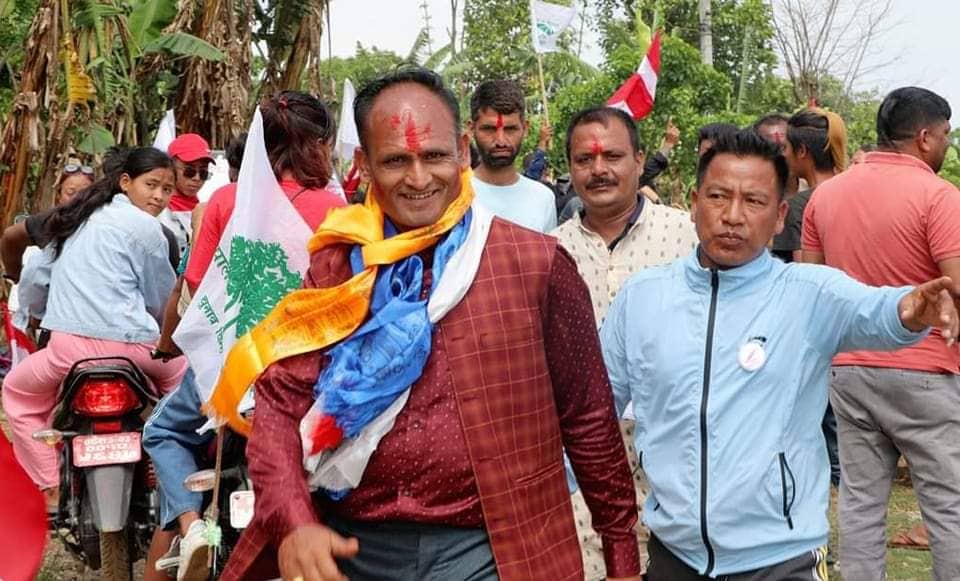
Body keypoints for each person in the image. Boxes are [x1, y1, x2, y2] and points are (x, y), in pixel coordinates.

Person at [219, 68, 642, 581]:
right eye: (396, 160)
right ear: (364, 164)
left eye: (434, 156)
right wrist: (294, 522)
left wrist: (621, 556)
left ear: (462, 151)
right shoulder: (337, 267)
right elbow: (280, 403)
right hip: (350, 547)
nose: (419, 179)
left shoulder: (537, 264)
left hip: (494, 551)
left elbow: (589, 419)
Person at [600, 130, 959, 580]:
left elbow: (875, 309)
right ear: (694, 202)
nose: (733, 216)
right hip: (675, 555)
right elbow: (596, 409)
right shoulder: (643, 297)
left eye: (754, 201)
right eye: (718, 196)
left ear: (779, 217)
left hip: (781, 558)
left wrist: (912, 309)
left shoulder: (806, 293)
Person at [143, 91, 346, 581]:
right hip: (308, 379)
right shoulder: (338, 210)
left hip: (230, 374)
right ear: (321, 144)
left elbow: (196, 283)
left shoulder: (225, 200)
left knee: (162, 431)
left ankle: (191, 525)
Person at [801, 86, 960, 580]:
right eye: (946, 135)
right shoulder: (939, 196)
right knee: (948, 504)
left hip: (850, 370)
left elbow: (811, 286)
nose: (947, 145)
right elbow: (957, 285)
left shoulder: (825, 196)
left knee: (861, 503)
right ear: (925, 136)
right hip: (926, 369)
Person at [552, 106, 699, 580]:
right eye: (584, 160)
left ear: (639, 159)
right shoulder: (547, 252)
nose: (598, 169)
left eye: (612, 156)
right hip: (581, 459)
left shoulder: (688, 239)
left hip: (677, 453)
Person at [1, 147, 188, 506]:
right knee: (188, 387)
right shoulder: (152, 231)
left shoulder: (70, 220)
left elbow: (34, 277)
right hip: (134, 349)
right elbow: (162, 301)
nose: (159, 196)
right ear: (125, 182)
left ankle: (50, 482)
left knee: (17, 393)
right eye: (152, 185)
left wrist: (35, 314)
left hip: (66, 351)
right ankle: (172, 466)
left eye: (166, 189)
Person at [469, 79, 557, 232]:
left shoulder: (543, 199)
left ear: (525, 128)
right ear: (471, 129)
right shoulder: (453, 196)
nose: (501, 141)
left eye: (510, 129)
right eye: (489, 129)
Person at [772, 108, 847, 263]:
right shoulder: (851, 192)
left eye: (785, 148)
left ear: (801, 151)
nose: (783, 155)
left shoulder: (798, 206)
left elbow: (803, 269)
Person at [0, 163, 95, 282]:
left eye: (85, 194)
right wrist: (15, 275)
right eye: (70, 193)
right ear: (59, 196)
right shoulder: (52, 220)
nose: (78, 199)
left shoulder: (104, 220)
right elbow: (10, 236)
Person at [160, 133, 214, 256]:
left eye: (203, 173)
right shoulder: (157, 208)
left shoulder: (206, 210)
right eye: (189, 171)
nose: (197, 178)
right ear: (171, 167)